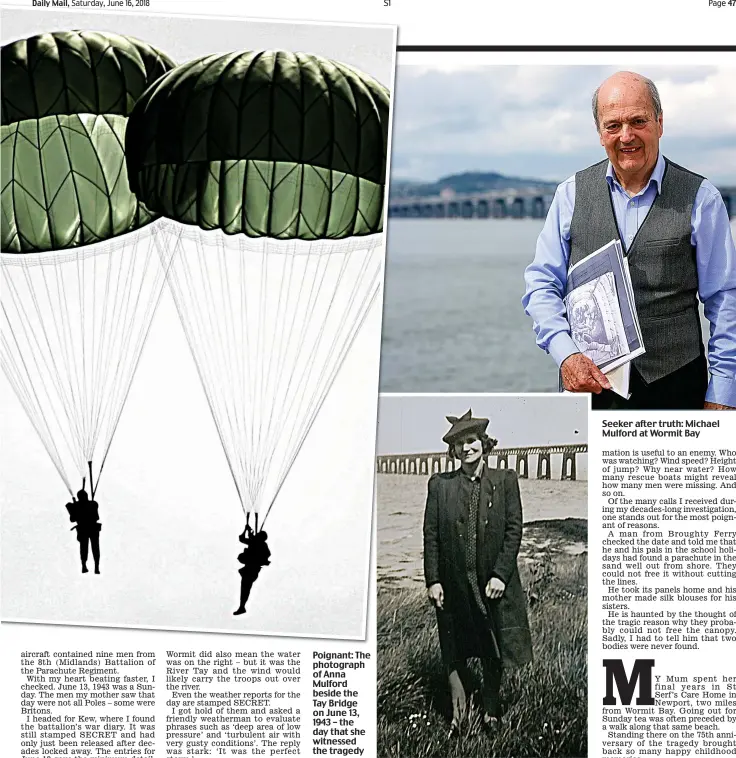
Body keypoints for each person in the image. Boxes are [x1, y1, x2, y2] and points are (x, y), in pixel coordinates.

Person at [522, 70, 736, 410]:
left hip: (677, 390)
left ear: (660, 123)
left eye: (638, 121)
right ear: (599, 132)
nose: (626, 136)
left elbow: (725, 300)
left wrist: (724, 391)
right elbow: (541, 285)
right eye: (613, 125)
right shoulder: (570, 195)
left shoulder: (701, 198)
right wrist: (565, 353)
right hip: (587, 388)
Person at [423, 410, 532, 732]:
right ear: (454, 451)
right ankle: (459, 716)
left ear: (483, 444)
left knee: (492, 644)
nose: (466, 448)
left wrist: (501, 573)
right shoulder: (440, 486)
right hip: (454, 582)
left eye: (471, 441)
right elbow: (431, 535)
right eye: (460, 444)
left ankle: (491, 709)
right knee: (453, 646)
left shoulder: (505, 480)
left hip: (490, 581)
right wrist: (433, 579)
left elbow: (514, 530)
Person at [233, 526, 271, 616]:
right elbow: (241, 538)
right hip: (249, 569)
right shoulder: (255, 542)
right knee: (244, 588)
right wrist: (246, 530)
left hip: (252, 569)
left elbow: (266, 554)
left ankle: (242, 607)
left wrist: (250, 534)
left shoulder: (261, 545)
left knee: (245, 588)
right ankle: (242, 606)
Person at [66, 489, 101, 574]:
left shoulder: (77, 506)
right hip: (93, 529)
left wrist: (73, 508)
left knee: (83, 548)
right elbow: (97, 517)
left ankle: (84, 566)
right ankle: (96, 567)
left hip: (83, 530)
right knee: (95, 548)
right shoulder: (94, 504)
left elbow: (72, 519)